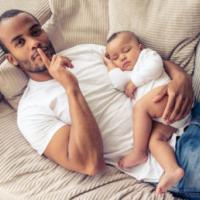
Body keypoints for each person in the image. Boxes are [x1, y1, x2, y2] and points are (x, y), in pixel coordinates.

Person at [0, 10, 199, 200]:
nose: (34, 43)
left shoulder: (85, 51)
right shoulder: (30, 112)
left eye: (35, 32)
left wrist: (180, 77)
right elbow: (89, 163)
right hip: (173, 154)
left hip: (189, 113)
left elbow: (141, 61)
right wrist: (71, 88)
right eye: (20, 42)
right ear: (11, 59)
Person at [103, 31, 191, 193]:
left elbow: (156, 66)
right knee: (155, 140)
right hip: (166, 117)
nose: (122, 58)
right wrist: (110, 65)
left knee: (140, 107)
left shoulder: (146, 57)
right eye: (115, 57)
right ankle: (172, 169)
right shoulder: (127, 74)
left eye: (126, 50)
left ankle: (138, 151)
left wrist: (135, 82)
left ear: (140, 47)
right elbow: (118, 82)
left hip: (167, 98)